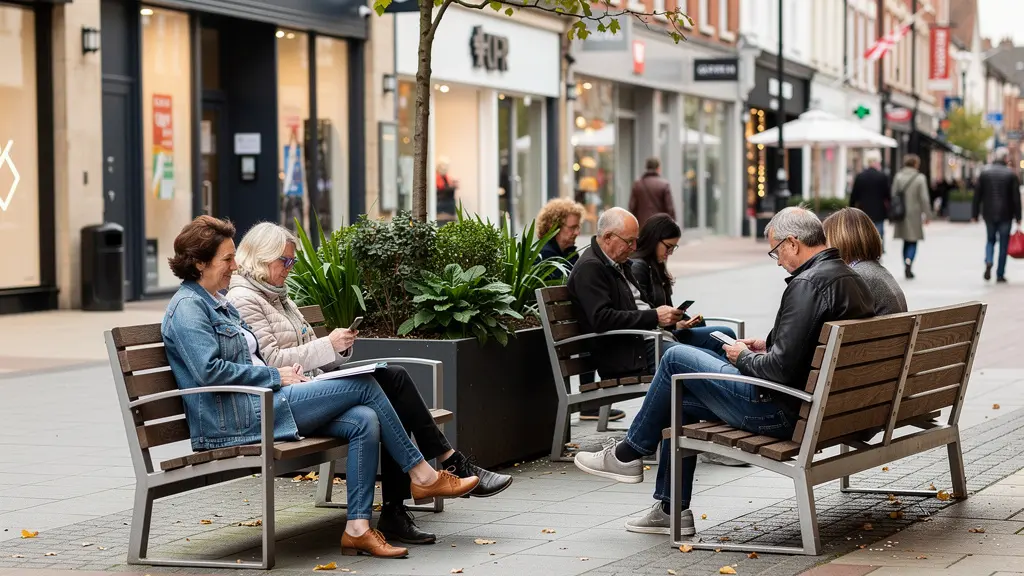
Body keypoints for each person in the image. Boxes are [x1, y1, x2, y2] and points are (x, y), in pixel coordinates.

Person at [161, 216, 479, 559]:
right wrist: (276, 376)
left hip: (265, 403)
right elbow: (210, 372)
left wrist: (290, 373)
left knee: (363, 419)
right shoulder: (189, 308)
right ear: (198, 263)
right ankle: (423, 474)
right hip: (239, 417)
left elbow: (250, 359)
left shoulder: (216, 302)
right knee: (367, 386)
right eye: (227, 259)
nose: (234, 265)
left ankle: (357, 529)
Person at [573, 207, 874, 536]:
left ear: (793, 243)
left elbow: (776, 371)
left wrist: (744, 356)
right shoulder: (847, 276)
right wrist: (765, 344)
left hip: (779, 411)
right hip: (823, 408)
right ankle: (670, 510)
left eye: (776, 251)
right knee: (678, 399)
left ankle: (628, 454)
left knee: (675, 356)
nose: (777, 261)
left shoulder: (807, 284)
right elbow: (801, 349)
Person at [225, 222, 513, 546]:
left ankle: (404, 503)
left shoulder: (280, 297)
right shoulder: (244, 298)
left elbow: (308, 351)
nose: (290, 269)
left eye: (293, 262)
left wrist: (339, 347)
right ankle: (436, 473)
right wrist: (327, 345)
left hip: (311, 387)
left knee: (393, 383)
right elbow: (273, 361)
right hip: (286, 399)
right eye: (285, 262)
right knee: (388, 384)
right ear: (261, 258)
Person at [629, 213, 747, 468]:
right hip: (651, 341)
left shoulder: (656, 267)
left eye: (674, 248)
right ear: (653, 240)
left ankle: (719, 426)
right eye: (668, 247)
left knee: (725, 337)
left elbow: (661, 313)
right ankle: (716, 431)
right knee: (709, 362)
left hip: (667, 333)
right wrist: (666, 321)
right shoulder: (639, 266)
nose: (670, 253)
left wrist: (679, 321)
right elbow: (644, 314)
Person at [567, 208, 685, 425]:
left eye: (635, 241)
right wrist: (654, 317)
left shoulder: (619, 263)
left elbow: (636, 306)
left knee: (709, 350)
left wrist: (663, 319)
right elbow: (602, 319)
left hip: (643, 341)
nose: (633, 248)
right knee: (691, 365)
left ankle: (692, 434)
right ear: (608, 237)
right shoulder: (590, 268)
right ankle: (661, 436)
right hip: (628, 353)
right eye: (629, 241)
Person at [823, 208, 908, 315]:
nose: (825, 247)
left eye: (827, 240)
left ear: (841, 240)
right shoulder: (877, 270)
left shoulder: (855, 277)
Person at [973, 146, 1022, 283]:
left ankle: (989, 260)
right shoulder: (1011, 174)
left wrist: (975, 213)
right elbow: (1016, 198)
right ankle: (1000, 273)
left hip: (988, 213)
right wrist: (1018, 217)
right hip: (1006, 214)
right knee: (1003, 244)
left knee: (990, 240)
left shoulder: (985, 173)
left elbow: (977, 195)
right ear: (1006, 158)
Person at [892, 154, 933, 279]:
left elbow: (893, 194)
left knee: (905, 240)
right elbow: (924, 198)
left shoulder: (898, 177)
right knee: (913, 240)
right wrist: (928, 215)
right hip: (915, 213)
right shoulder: (920, 178)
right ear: (916, 164)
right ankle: (909, 260)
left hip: (901, 213)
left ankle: (906, 261)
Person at [536, 197, 586, 279]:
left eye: (578, 227)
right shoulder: (543, 256)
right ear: (554, 227)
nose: (577, 232)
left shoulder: (571, 253)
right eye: (572, 227)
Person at [848, 150, 891, 241]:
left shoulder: (860, 176)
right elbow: (887, 195)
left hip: (863, 211)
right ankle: (878, 253)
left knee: (864, 237)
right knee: (878, 237)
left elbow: (854, 196)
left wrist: (850, 211)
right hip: (879, 212)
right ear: (877, 161)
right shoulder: (882, 176)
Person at [629, 158, 676, 228]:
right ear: (658, 168)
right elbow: (670, 209)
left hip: (642, 226)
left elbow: (632, 207)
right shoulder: (664, 184)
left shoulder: (637, 185)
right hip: (659, 227)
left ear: (646, 168)